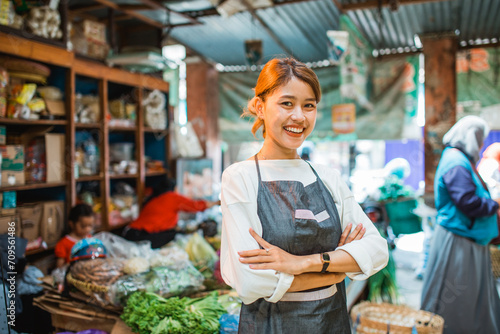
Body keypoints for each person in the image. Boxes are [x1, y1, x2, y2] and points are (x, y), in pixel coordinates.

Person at [220, 57, 389, 333]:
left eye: (308, 105)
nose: (299, 116)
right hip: (270, 324)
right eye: (287, 103)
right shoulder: (240, 177)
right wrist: (337, 268)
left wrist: (302, 263)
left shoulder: (327, 176)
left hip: (332, 322)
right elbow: (250, 281)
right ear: (261, 107)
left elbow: (377, 250)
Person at [421, 116, 500, 334]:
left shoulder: (459, 159)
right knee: (454, 297)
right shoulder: (456, 162)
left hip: (467, 238)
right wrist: (494, 204)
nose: (481, 144)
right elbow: (467, 202)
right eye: (479, 138)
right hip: (457, 242)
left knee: (470, 296)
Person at [125, 177, 219, 248]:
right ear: (174, 188)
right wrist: (217, 202)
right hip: (139, 236)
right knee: (176, 236)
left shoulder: (156, 198)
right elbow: (195, 206)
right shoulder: (171, 197)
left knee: (175, 234)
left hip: (131, 233)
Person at [54, 203, 95, 268]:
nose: (87, 229)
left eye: (90, 225)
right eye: (83, 226)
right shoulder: (63, 243)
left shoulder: (91, 239)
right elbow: (59, 268)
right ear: (71, 224)